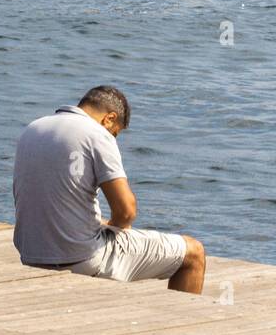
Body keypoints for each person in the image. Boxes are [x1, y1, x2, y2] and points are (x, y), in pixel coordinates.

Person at [12, 86, 206, 294]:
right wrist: (115, 225)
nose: (113, 138)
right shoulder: (97, 134)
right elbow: (126, 212)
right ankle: (181, 325)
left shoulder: (32, 129)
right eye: (115, 133)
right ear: (109, 118)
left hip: (32, 254)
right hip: (80, 258)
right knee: (193, 253)